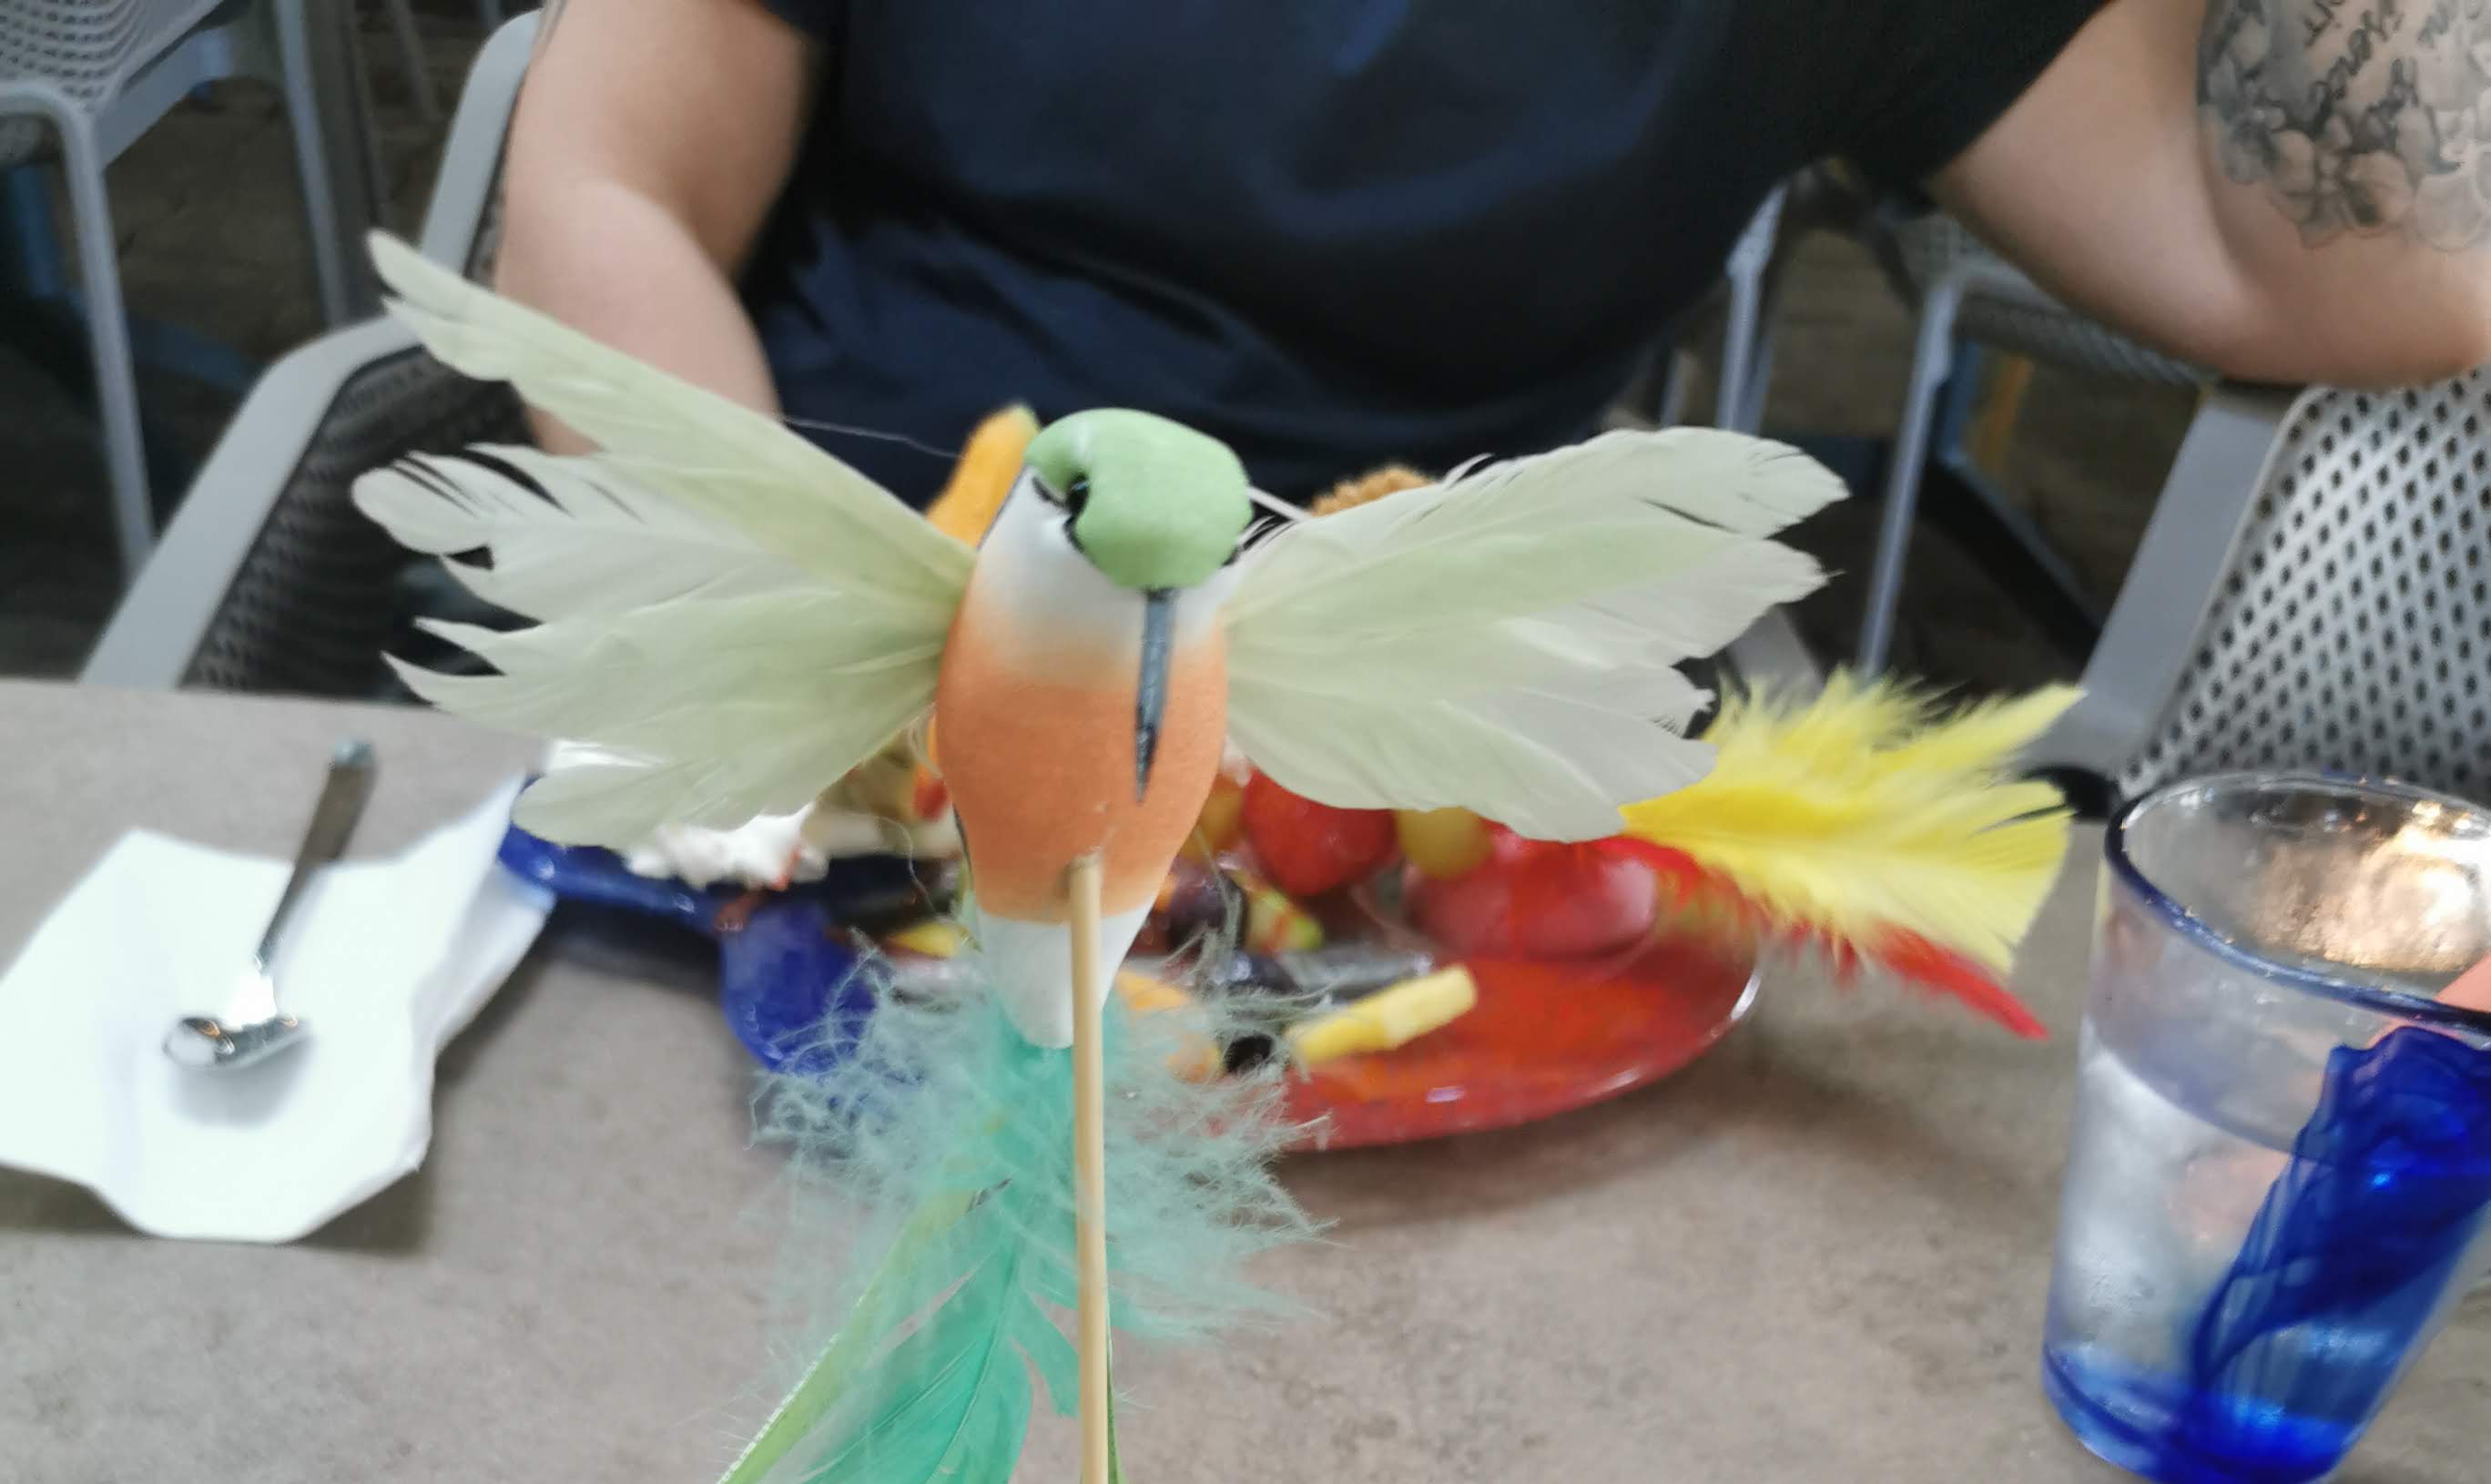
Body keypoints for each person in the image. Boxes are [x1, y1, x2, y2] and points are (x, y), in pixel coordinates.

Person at [492, 0, 2491, 510]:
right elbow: (605, 176)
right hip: (806, 622)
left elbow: (2369, 272)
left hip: (1379, 812)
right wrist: (780, 673)